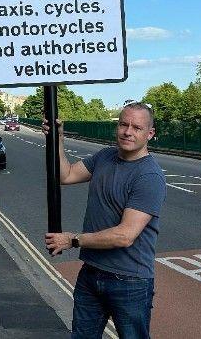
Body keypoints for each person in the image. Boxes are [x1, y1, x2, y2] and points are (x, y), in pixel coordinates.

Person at [43, 102, 166, 339]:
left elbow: (124, 235)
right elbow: (65, 175)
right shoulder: (105, 156)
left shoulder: (149, 176)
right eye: (123, 124)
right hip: (91, 273)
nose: (128, 131)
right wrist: (57, 139)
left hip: (129, 280)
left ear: (150, 134)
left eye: (137, 127)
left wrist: (73, 240)